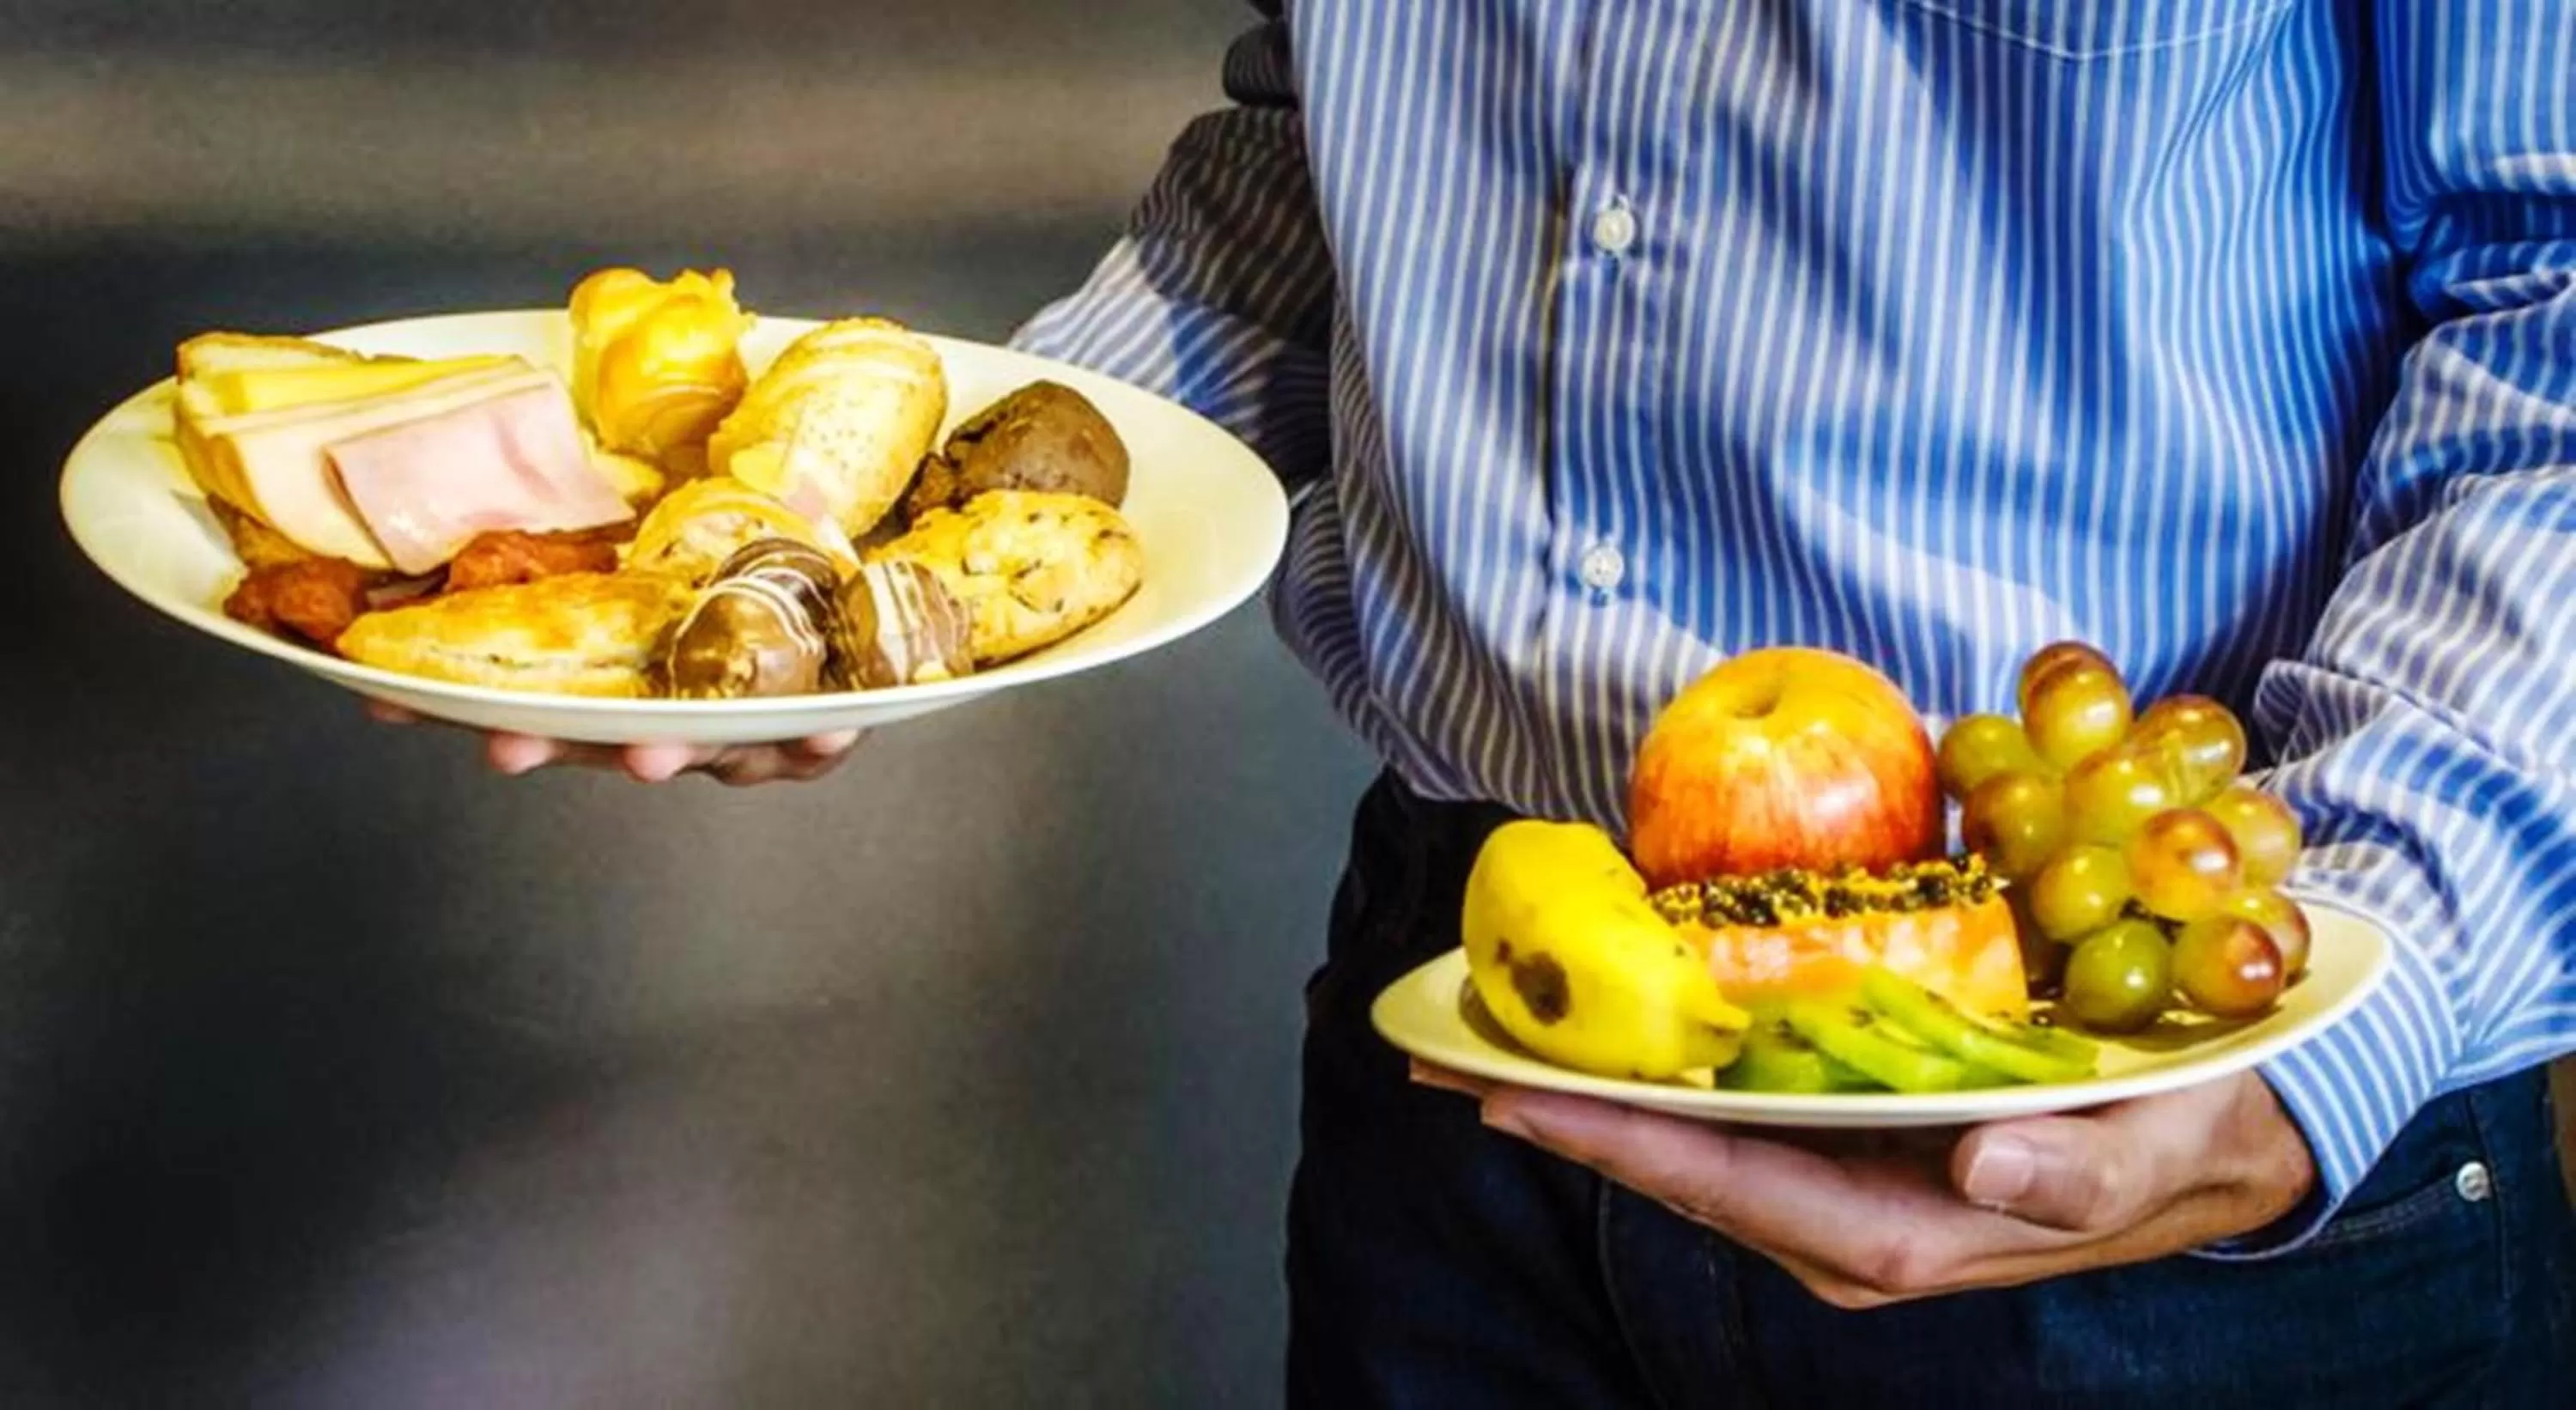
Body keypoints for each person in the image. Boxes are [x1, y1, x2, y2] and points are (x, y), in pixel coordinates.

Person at [386, 2, 2576, 1403]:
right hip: (1463, 1049)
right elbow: (1322, 150)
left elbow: (2550, 291)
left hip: (2135, 1087)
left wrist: (2335, 1016)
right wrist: (915, 565)